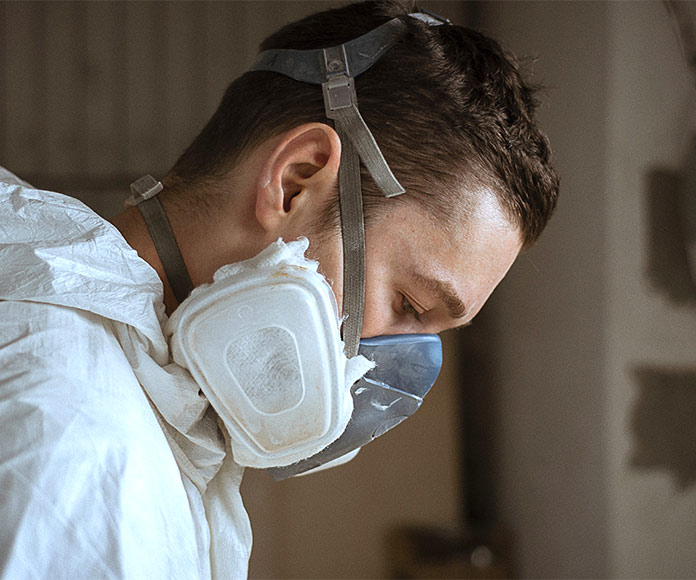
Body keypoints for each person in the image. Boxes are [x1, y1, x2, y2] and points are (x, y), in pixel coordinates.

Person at [0, 1, 558, 578]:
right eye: (409, 306)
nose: (390, 370)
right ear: (297, 182)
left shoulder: (80, 324)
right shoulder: (78, 444)